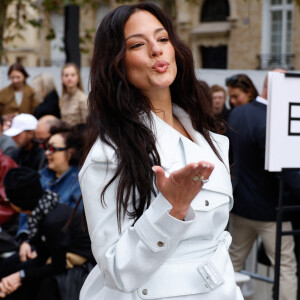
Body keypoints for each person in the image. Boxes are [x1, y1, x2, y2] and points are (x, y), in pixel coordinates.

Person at [79, 3, 243, 300]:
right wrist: (171, 210)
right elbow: (116, 270)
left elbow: (217, 243)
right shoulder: (109, 155)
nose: (156, 50)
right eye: (138, 44)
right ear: (117, 63)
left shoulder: (212, 140)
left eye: (163, 39)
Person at [228, 70, 297, 300]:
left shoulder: (238, 113)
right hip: (271, 209)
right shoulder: (274, 120)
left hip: (241, 206)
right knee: (285, 266)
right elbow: (282, 172)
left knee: (231, 264)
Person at [0, 167, 94, 300]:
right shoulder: (45, 207)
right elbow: (44, 254)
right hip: (60, 257)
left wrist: (21, 276)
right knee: (9, 265)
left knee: (41, 284)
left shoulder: (52, 220)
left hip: (83, 266)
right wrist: (21, 274)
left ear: (19, 204)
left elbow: (58, 265)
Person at [0, 63, 38, 129]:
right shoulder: (3, 92)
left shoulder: (32, 92)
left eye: (18, 77)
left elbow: (36, 112)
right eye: (12, 77)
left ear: (24, 76)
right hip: (7, 127)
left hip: (26, 127)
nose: (15, 80)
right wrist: (4, 117)